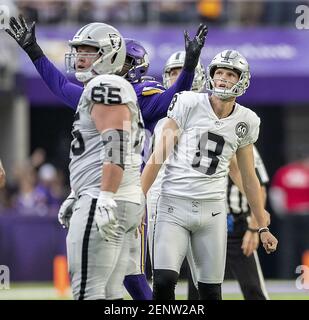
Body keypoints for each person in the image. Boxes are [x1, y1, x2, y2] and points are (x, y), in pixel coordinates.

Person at [5, 15, 207, 299]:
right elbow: (61, 88)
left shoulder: (116, 91)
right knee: (120, 282)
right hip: (121, 191)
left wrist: (187, 68)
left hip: (123, 190)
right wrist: (35, 53)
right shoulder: (102, 91)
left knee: (100, 284)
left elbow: (170, 99)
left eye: (89, 52)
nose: (80, 58)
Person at [141, 49, 278, 300]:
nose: (224, 78)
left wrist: (261, 223)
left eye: (230, 74)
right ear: (210, 76)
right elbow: (158, 157)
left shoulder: (247, 120)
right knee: (163, 281)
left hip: (213, 209)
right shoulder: (188, 103)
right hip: (173, 202)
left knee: (211, 291)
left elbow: (246, 176)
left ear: (242, 80)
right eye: (220, 73)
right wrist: (138, 199)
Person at [147, 50, 206, 292]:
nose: (177, 78)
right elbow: (152, 159)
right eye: (172, 73)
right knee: (162, 277)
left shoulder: (214, 111)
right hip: (161, 194)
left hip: (202, 196)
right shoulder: (159, 111)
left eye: (182, 72)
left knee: (204, 277)